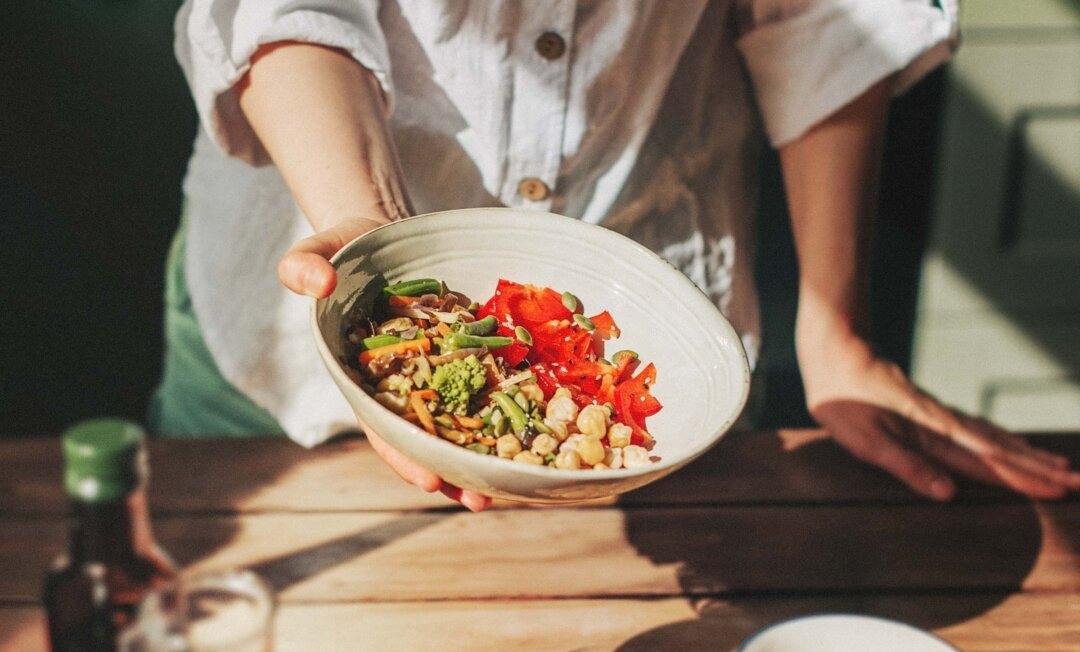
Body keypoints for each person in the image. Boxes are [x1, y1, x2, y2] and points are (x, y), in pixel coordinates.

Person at [155, 0, 1079, 511]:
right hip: (289, 307)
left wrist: (834, 329)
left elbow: (826, 15)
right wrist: (381, 243)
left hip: (653, 288)